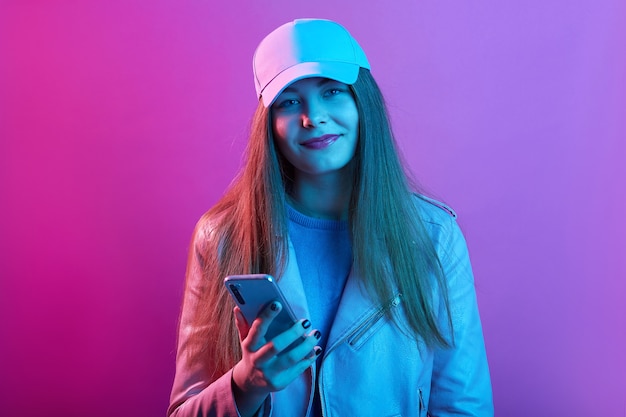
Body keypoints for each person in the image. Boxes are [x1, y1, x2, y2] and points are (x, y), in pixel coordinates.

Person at [167, 18, 493, 417]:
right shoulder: (221, 237)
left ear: (363, 103)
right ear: (268, 125)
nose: (312, 117)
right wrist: (245, 384)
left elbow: (463, 407)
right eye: (289, 100)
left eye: (332, 91)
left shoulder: (434, 237)